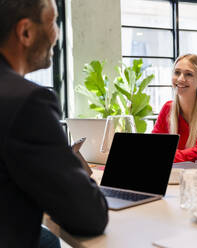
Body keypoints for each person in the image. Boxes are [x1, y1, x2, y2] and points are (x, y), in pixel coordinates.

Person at [0, 0, 108, 247]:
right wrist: (74, 168)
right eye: (53, 23)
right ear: (25, 32)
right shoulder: (27, 101)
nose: (56, 35)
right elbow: (88, 215)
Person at [153, 54, 197, 163]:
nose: (181, 79)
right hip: (176, 175)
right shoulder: (168, 108)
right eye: (177, 72)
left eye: (188, 74)